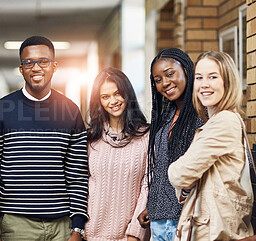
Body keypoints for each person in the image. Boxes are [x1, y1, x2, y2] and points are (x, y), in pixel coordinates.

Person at [0, 35, 88, 241]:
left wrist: (77, 228)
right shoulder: (0, 110)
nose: (36, 68)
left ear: (54, 66)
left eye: (43, 61)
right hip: (16, 225)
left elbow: (78, 173)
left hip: (62, 225)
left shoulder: (71, 110)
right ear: (21, 69)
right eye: (28, 62)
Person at [168, 51, 254, 240]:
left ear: (227, 82)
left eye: (213, 77)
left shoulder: (224, 121)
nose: (204, 84)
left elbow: (180, 174)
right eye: (199, 77)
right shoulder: (214, 121)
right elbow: (186, 181)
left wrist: (178, 172)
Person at [137, 48, 203, 241]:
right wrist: (152, 205)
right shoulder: (165, 118)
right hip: (159, 221)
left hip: (188, 221)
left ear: (186, 70)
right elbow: (160, 169)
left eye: (170, 74)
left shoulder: (202, 116)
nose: (165, 83)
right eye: (158, 80)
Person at [84, 67, 150, 241]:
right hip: (90, 234)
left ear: (127, 94)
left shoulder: (146, 137)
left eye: (117, 94)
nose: (113, 101)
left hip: (129, 236)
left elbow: (148, 186)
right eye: (105, 97)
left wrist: (135, 233)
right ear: (99, 101)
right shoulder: (90, 139)